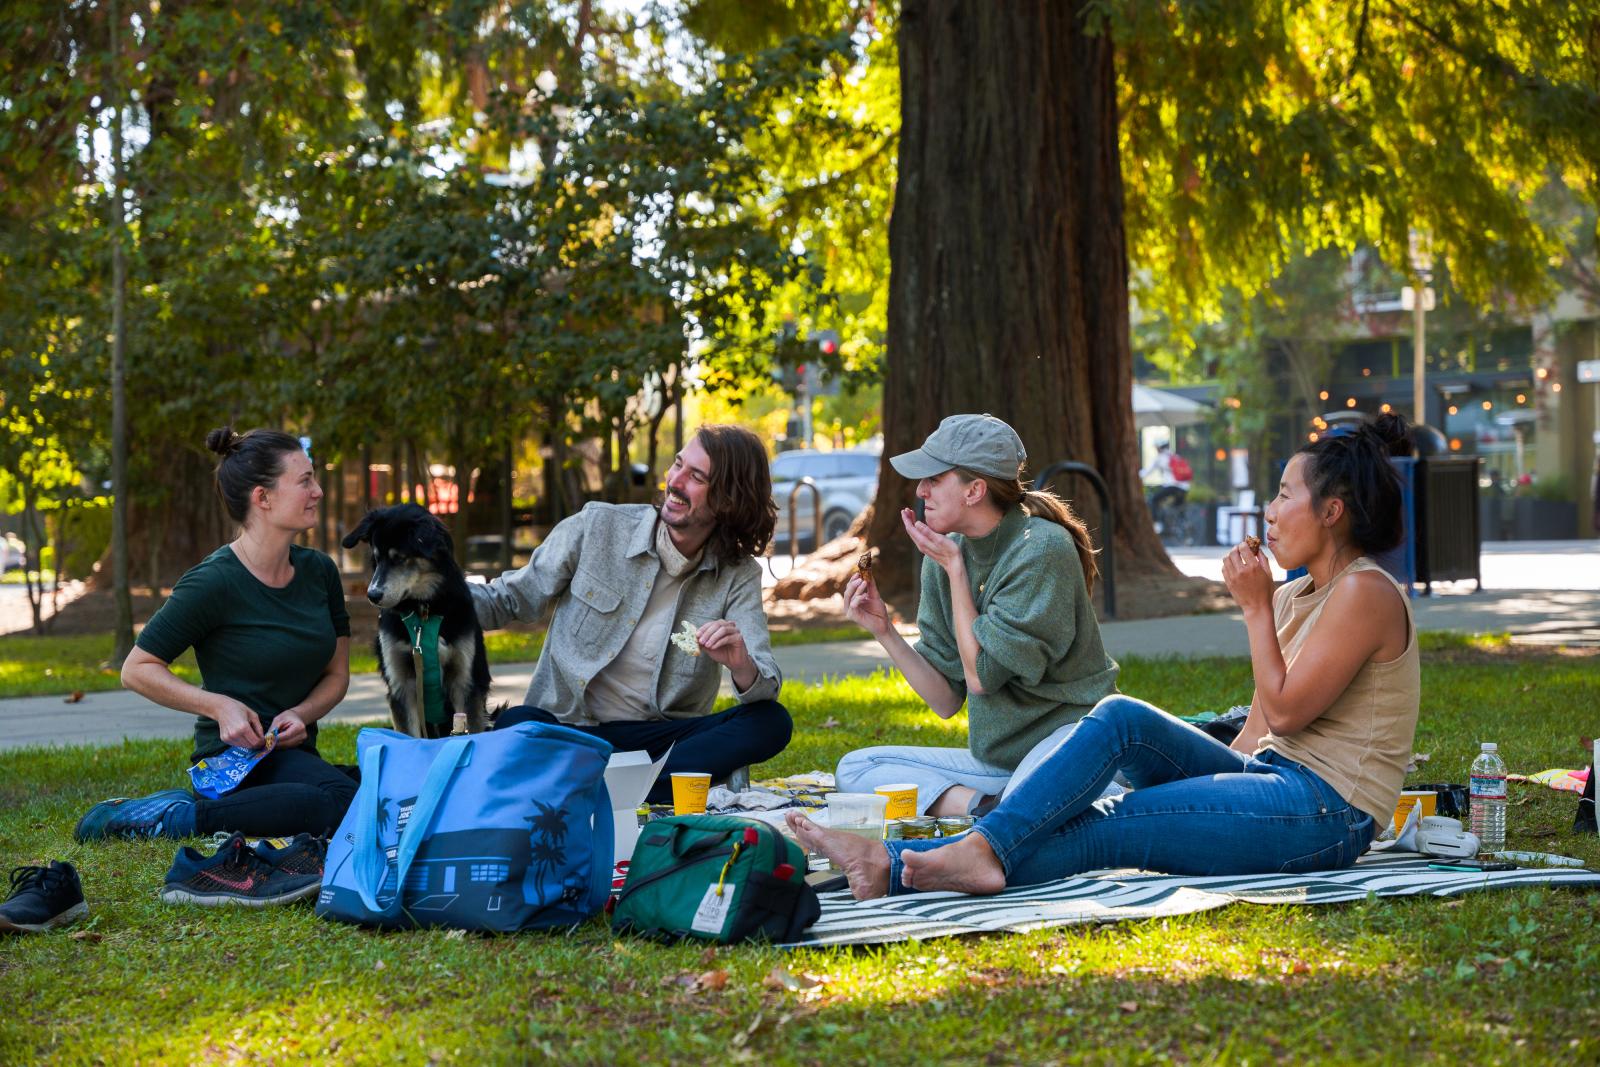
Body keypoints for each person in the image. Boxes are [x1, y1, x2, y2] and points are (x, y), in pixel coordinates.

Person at [793, 413, 1420, 899]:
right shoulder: (1296, 595)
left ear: (1331, 512)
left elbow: (1284, 716)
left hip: (1325, 813)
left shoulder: (1365, 592)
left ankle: (911, 864)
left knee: (1109, 825)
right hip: (1269, 781)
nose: (1270, 510)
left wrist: (1254, 608)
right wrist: (1205, 788)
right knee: (1120, 718)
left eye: (1285, 495)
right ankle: (975, 848)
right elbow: (1258, 729)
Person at [478, 424, 789, 802]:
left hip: (658, 740)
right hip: (569, 727)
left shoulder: (738, 575)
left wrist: (741, 664)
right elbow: (510, 598)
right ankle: (636, 789)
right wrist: (437, 597)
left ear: (728, 499)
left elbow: (765, 682)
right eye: (678, 465)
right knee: (517, 724)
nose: (675, 482)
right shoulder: (598, 526)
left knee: (771, 723)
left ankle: (589, 787)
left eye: (696, 477)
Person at [832, 413, 1119, 817]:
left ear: (975, 490)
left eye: (934, 479)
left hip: (1073, 744)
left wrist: (956, 571)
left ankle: (1022, 809)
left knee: (1044, 788)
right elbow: (947, 700)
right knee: (858, 768)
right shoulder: (943, 556)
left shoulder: (1041, 550)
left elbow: (981, 678)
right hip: (1001, 766)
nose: (921, 490)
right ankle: (987, 809)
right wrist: (885, 632)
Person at [77, 428, 356, 841]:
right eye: (304, 481)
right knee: (340, 803)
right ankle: (176, 817)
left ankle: (288, 799)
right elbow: (136, 669)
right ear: (262, 498)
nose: (317, 491)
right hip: (231, 763)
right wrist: (219, 707)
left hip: (293, 757)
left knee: (383, 789)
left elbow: (337, 674)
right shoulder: (213, 582)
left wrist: (302, 714)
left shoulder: (321, 572)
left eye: (313, 478)